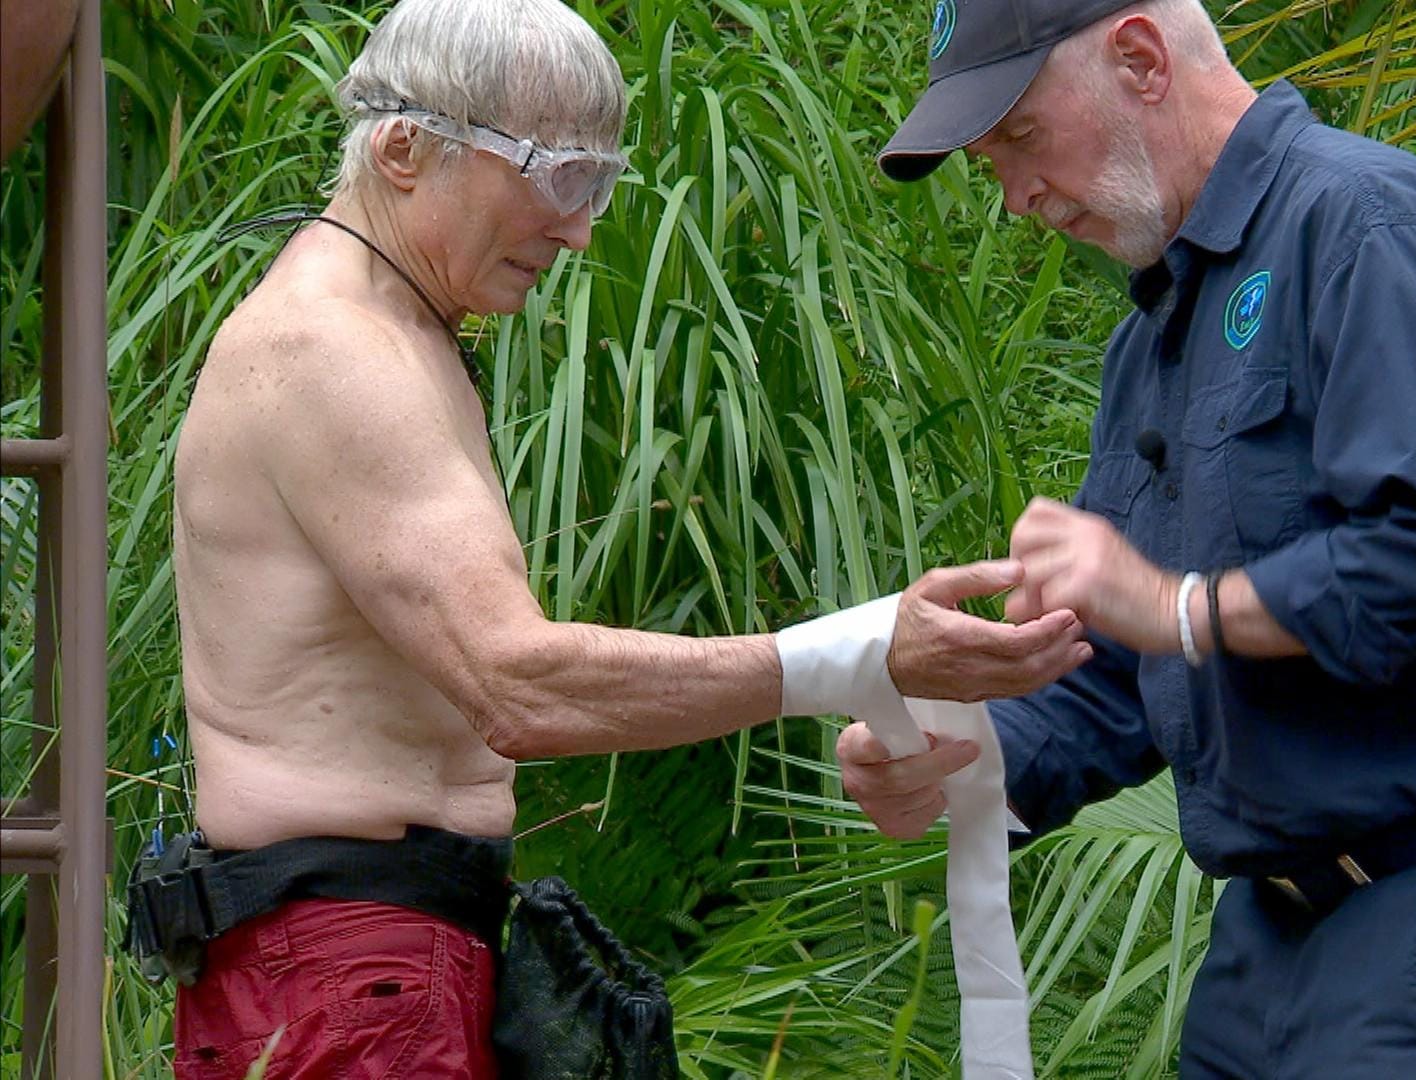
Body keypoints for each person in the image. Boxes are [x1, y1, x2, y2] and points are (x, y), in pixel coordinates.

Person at [149, 0, 1091, 1074]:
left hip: (370, 954)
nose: (582, 229)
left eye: (600, 185)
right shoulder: (334, 350)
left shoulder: (400, 331)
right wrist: (861, 652)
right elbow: (518, 687)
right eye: (557, 178)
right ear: (406, 148)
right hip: (338, 968)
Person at [837, 0, 1416, 1075]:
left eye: (1021, 139)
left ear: (1139, 57)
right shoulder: (1150, 342)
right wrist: (954, 763)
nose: (1017, 197)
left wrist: (1178, 604)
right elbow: (1126, 675)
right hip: (1269, 943)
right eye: (992, 166)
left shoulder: (1368, 227)